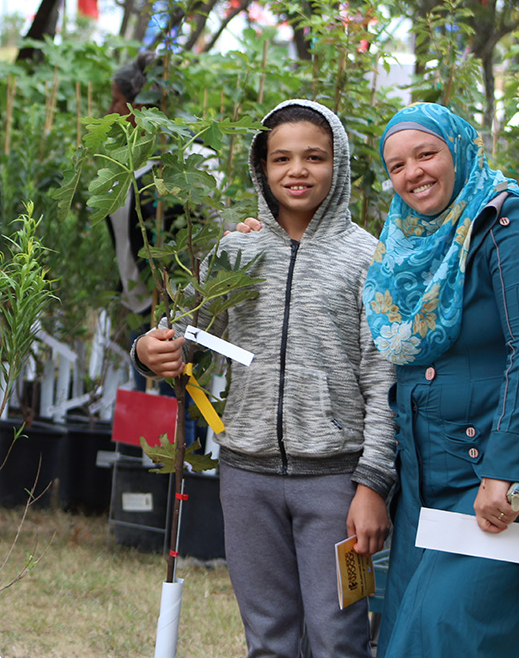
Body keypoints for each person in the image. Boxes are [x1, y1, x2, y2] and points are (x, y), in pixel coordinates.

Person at [133, 99, 396, 658]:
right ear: (261, 168)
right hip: (245, 475)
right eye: (281, 158)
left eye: (314, 157)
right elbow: (187, 336)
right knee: (268, 638)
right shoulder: (236, 250)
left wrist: (372, 484)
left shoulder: (369, 259)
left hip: (336, 482)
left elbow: (382, 382)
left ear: (340, 163)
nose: (296, 170)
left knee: (339, 637)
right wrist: (147, 347)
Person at [362, 103, 519, 656]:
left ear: (460, 151)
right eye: (397, 165)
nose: (413, 174)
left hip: (486, 482)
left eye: (427, 154)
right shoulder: (405, 243)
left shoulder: (502, 221)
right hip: (422, 483)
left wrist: (504, 471)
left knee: (443, 634)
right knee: (405, 634)